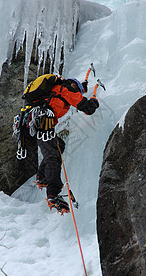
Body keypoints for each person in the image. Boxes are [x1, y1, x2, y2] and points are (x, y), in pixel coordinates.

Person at [34, 77, 99, 214]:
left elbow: (75, 96)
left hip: (39, 124)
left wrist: (83, 88)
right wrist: (94, 102)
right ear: (72, 85)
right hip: (43, 125)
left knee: (59, 145)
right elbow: (87, 108)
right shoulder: (66, 90)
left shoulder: (58, 89)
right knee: (52, 156)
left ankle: (42, 176)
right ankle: (52, 194)